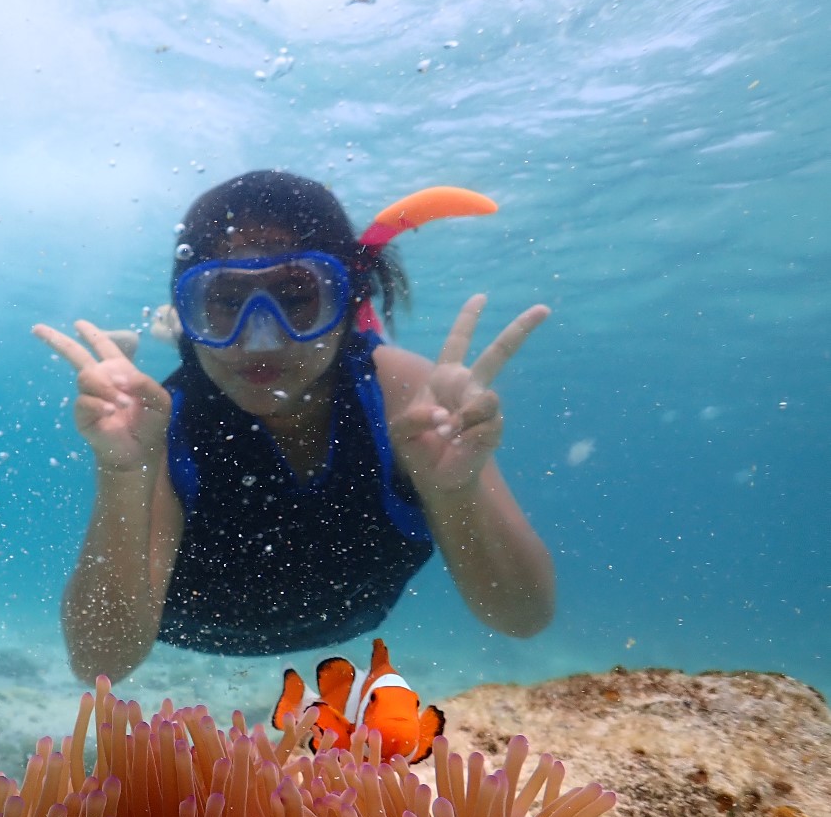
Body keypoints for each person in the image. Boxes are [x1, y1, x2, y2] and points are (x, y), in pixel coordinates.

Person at [33, 170, 554, 683]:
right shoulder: (162, 424)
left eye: (297, 297)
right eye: (226, 302)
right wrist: (123, 473)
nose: (261, 340)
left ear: (347, 302)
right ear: (192, 313)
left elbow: (524, 616)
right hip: (189, 625)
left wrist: (457, 493)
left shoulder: (409, 398)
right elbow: (100, 662)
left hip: (349, 614)